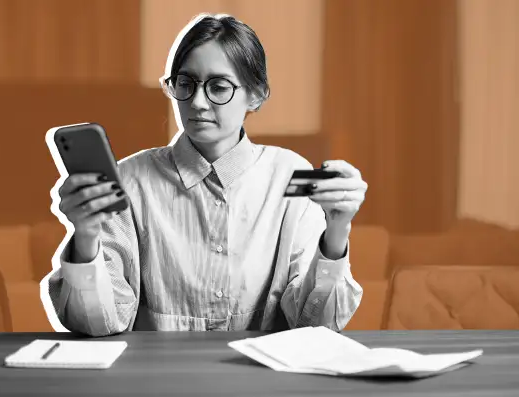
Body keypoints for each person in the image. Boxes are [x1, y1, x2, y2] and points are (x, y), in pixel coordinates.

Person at [43, 13, 367, 337]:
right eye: (185, 84)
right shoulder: (129, 181)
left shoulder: (290, 176)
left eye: (218, 87)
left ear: (255, 95)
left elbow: (317, 326)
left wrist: (337, 229)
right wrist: (85, 237)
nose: (197, 102)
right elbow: (96, 325)